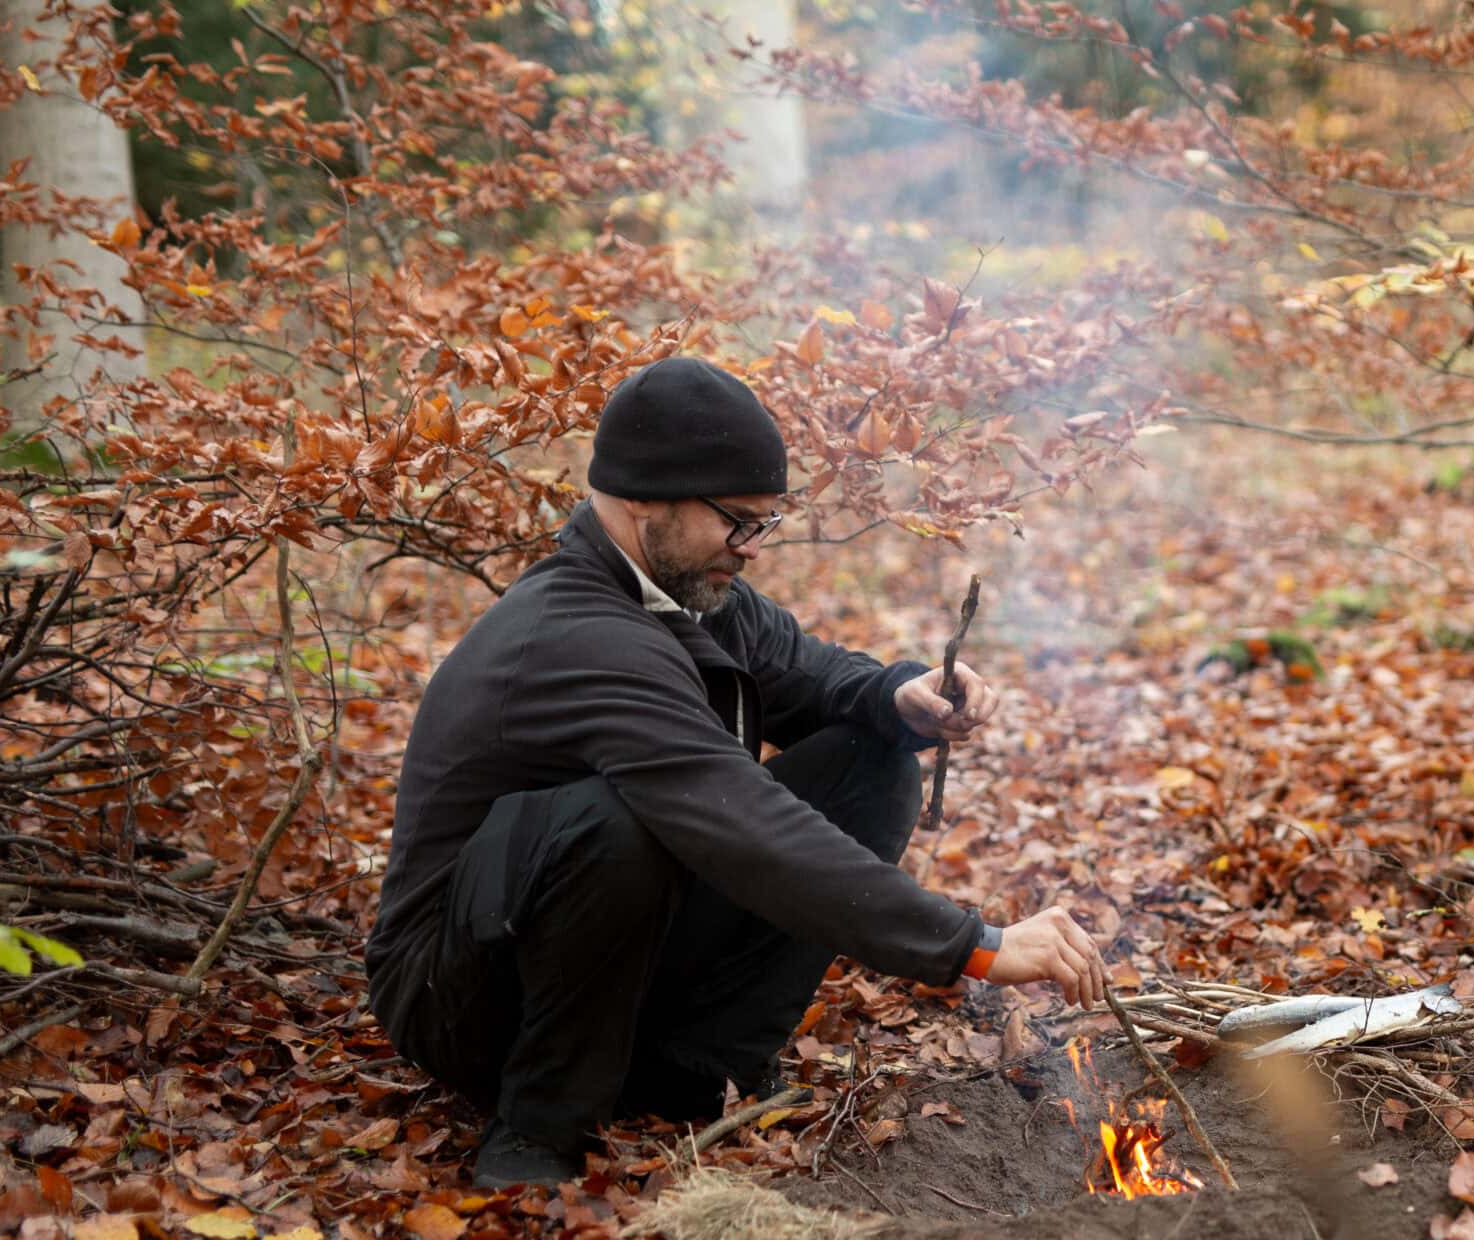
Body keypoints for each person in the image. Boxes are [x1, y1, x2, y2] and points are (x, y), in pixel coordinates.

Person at [363, 356, 1108, 1188]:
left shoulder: (684, 591)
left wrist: (902, 697)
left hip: (599, 948)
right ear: (649, 494)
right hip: (454, 995)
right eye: (737, 522)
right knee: (615, 827)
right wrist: (975, 945)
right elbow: (747, 824)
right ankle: (538, 1128)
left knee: (876, 758)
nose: (750, 548)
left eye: (765, 523)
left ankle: (684, 1074)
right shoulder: (577, 636)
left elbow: (809, 670)